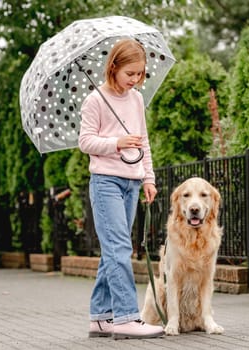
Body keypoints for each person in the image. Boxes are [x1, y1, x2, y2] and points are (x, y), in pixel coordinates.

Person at [78, 38, 164, 340]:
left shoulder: (136, 99)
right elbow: (85, 142)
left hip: (131, 183)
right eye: (131, 73)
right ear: (113, 68)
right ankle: (126, 317)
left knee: (113, 251)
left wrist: (148, 178)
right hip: (106, 183)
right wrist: (116, 143)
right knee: (119, 249)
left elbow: (144, 142)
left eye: (141, 74)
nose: (136, 80)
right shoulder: (95, 101)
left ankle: (100, 318)